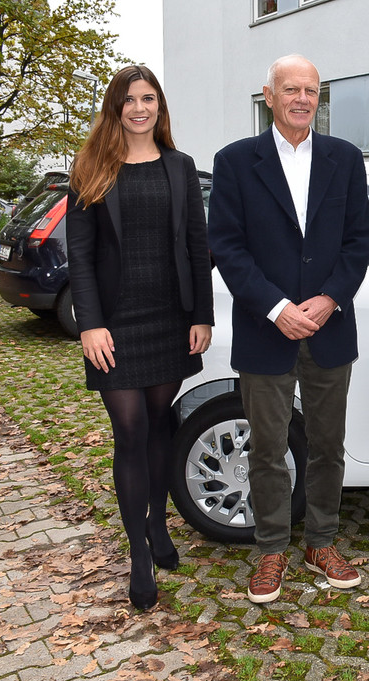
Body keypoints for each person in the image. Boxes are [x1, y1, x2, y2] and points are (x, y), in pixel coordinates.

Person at [207, 55, 369, 604]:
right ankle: (272, 548)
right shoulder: (235, 161)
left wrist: (329, 299)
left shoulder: (344, 158)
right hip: (266, 330)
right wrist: (277, 307)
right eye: (291, 89)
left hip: (329, 328)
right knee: (267, 449)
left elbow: (359, 240)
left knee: (328, 446)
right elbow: (226, 246)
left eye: (311, 90)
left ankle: (321, 541)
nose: (302, 99)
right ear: (269, 95)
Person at [66, 65, 214, 611]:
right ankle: (138, 552)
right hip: (115, 324)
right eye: (129, 99)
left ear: (159, 106)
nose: (139, 108)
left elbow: (197, 245)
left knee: (157, 424)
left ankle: (158, 523)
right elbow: (80, 255)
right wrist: (90, 323)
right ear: (116, 107)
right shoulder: (91, 167)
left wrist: (202, 315)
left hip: (170, 319)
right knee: (129, 430)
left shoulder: (180, 166)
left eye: (148, 98)